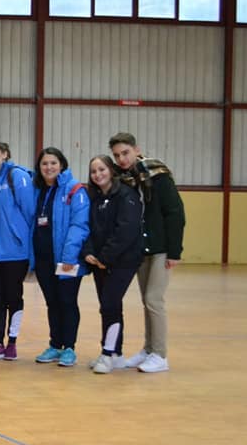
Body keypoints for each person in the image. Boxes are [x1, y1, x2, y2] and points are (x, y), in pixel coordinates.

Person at [110, 132, 185, 373]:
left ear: (137, 150)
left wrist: (174, 251)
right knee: (146, 300)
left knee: (154, 299)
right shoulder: (125, 180)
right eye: (117, 155)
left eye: (125, 153)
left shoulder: (158, 175)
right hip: (141, 249)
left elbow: (175, 213)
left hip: (162, 248)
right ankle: (148, 349)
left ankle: (160, 355)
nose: (122, 159)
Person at [82, 155, 144, 375]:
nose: (97, 174)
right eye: (93, 171)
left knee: (110, 303)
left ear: (111, 170)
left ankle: (108, 354)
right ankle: (115, 353)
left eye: (102, 169)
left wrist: (105, 257)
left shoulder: (126, 195)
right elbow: (89, 228)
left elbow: (126, 230)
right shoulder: (95, 197)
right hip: (100, 262)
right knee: (108, 306)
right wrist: (89, 252)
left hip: (123, 261)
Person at [31, 147, 90, 368]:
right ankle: (55, 345)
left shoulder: (74, 190)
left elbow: (79, 225)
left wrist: (68, 257)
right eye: (44, 164)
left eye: (53, 163)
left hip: (67, 259)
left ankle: (69, 348)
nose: (49, 167)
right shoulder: (37, 190)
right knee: (52, 302)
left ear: (62, 165)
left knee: (67, 301)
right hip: (43, 258)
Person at [0, 141, 34, 361]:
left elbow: (29, 212)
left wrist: (21, 239)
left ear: (5, 154)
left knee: (13, 296)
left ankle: (12, 342)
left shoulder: (17, 176)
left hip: (15, 251)